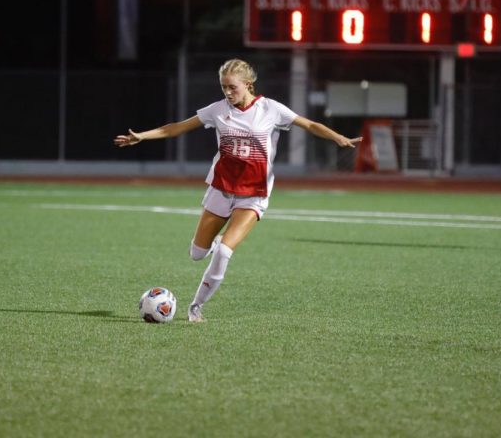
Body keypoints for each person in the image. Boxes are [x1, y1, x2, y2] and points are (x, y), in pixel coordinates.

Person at [115, 59, 361, 322]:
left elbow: (309, 124)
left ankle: (196, 307)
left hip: (253, 194)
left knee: (223, 252)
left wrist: (337, 136)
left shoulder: (270, 109)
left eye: (232, 87)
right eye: (224, 88)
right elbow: (175, 128)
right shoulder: (218, 110)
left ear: (248, 84)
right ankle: (212, 245)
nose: (228, 93)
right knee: (197, 254)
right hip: (221, 189)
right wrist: (142, 135)